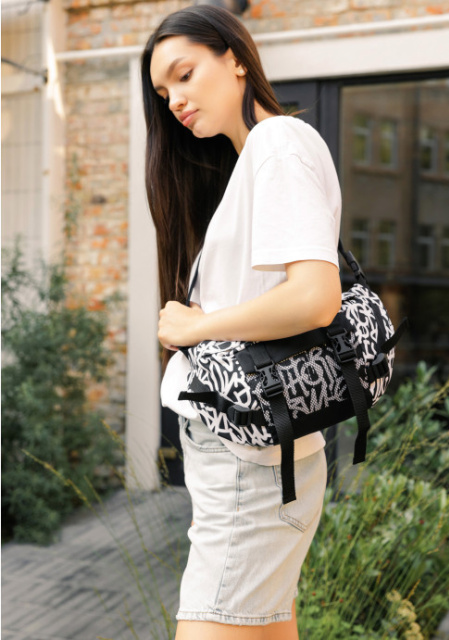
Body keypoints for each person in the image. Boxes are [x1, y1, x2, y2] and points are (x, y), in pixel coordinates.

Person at [141, 5, 342, 639]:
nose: (175, 100)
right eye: (163, 93)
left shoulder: (277, 143)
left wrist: (195, 327)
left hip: (249, 466)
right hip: (250, 459)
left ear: (234, 58)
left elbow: (315, 297)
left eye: (184, 74)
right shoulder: (254, 159)